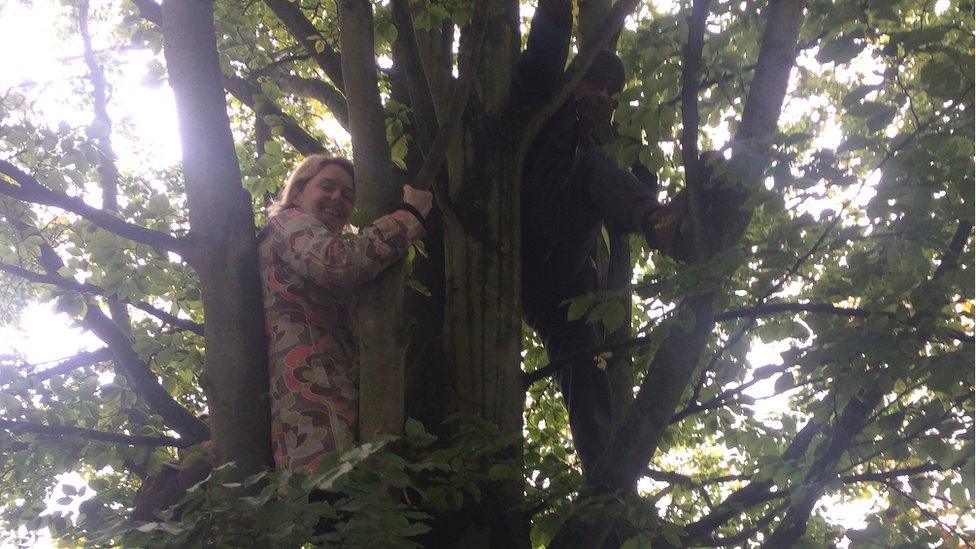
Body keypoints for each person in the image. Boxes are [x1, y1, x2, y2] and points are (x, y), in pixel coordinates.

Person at [514, 0, 682, 474]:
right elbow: (546, 53)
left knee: (587, 368)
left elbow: (623, 191)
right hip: (517, 249)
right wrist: (554, 11)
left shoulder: (603, 149)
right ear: (573, 82)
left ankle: (603, 474)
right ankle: (660, 224)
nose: (603, 96)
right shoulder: (545, 109)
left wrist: (649, 184)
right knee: (594, 163)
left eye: (612, 91)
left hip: (563, 285)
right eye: (593, 83)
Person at [259, 155, 433, 472]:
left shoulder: (300, 236)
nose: (338, 198)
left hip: (326, 411)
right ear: (297, 193)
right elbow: (337, 263)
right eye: (327, 186)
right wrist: (410, 215)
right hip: (314, 417)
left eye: (347, 195)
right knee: (327, 503)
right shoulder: (289, 223)